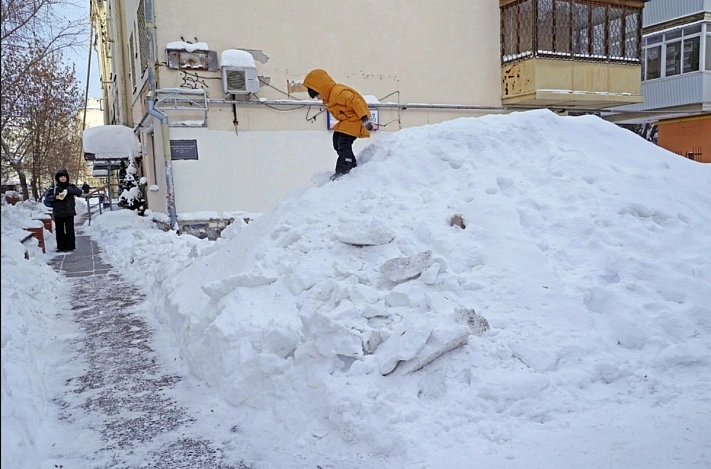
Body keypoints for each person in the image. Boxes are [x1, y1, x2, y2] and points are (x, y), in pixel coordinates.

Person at [303, 69, 374, 180]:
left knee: (344, 143)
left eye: (318, 94)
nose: (318, 98)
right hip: (348, 122)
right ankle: (351, 163)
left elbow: (355, 101)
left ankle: (343, 169)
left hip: (357, 120)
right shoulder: (332, 96)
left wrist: (365, 119)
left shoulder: (338, 93)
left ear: (321, 89)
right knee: (337, 141)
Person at [45, 168, 83, 252]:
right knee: (59, 230)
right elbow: (47, 197)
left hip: (69, 212)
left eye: (64, 177)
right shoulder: (54, 188)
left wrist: (69, 190)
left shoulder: (71, 186)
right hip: (58, 212)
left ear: (67, 178)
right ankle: (61, 246)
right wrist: (56, 197)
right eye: (61, 177)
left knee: (70, 229)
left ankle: (70, 246)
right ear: (58, 178)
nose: (62, 178)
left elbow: (79, 192)